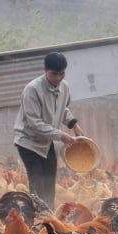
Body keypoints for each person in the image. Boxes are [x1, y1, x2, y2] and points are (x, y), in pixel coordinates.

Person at [14, 51, 83, 208]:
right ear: (45, 70)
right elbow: (33, 123)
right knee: (38, 181)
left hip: (47, 142)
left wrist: (73, 124)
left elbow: (62, 109)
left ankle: (49, 216)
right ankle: (37, 218)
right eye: (54, 74)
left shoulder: (64, 87)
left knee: (50, 181)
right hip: (29, 142)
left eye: (62, 74)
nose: (58, 78)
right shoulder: (32, 90)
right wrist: (60, 135)